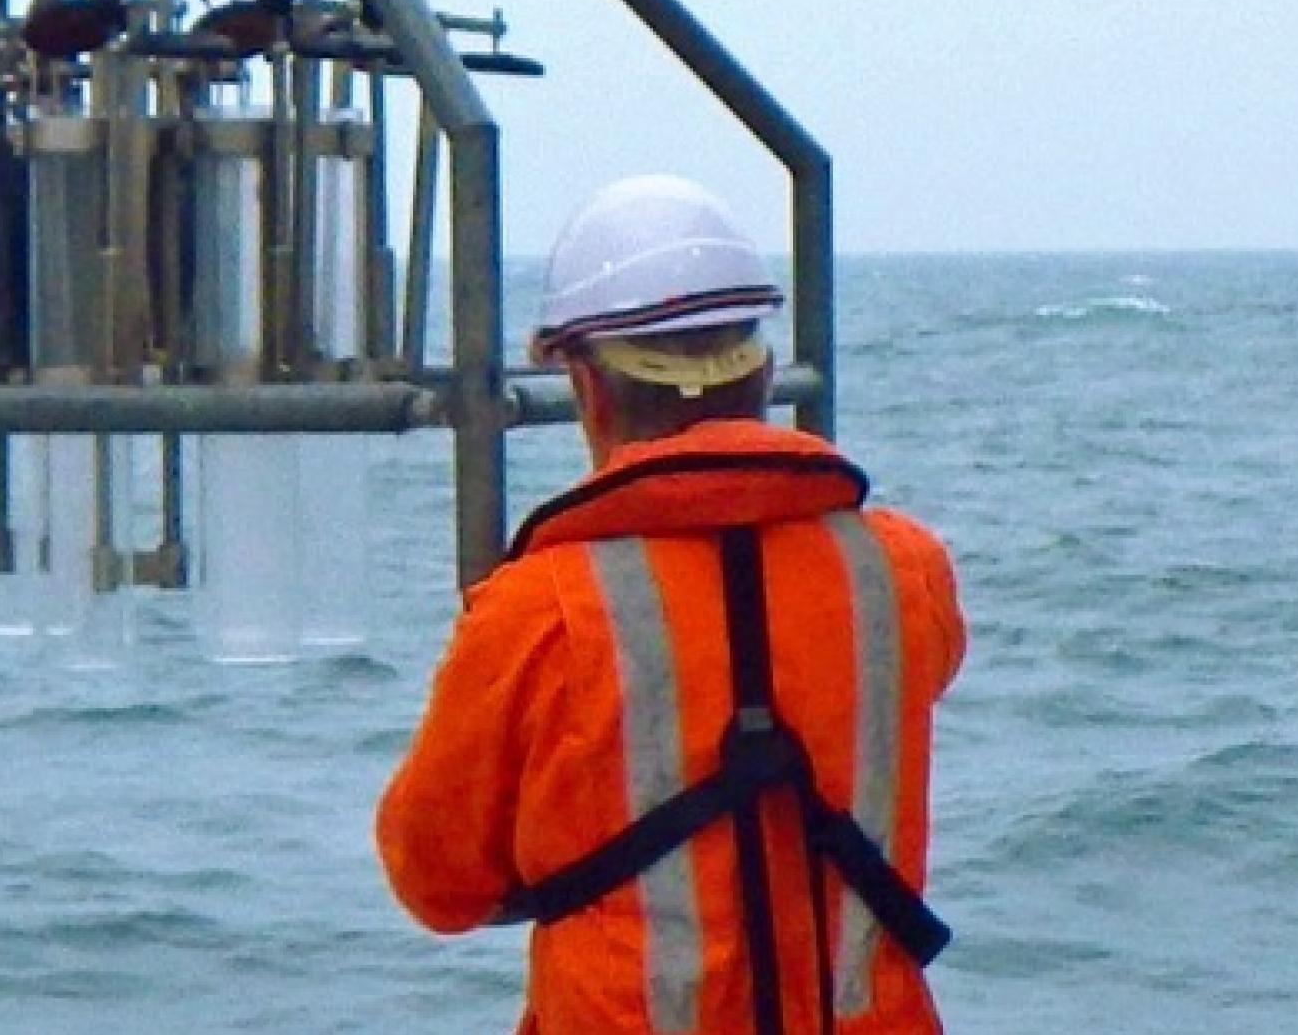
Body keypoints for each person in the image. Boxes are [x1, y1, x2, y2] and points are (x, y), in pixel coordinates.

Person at [376, 175, 964, 1035]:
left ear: (589, 388)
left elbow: (436, 880)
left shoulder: (535, 612)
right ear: (761, 373)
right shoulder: (903, 570)